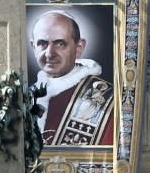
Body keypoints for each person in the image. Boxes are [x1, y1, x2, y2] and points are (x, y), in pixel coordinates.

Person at [30, 10, 113, 145]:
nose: (50, 54)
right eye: (42, 43)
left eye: (60, 43)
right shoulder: (26, 96)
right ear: (33, 47)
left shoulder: (108, 99)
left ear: (79, 47)